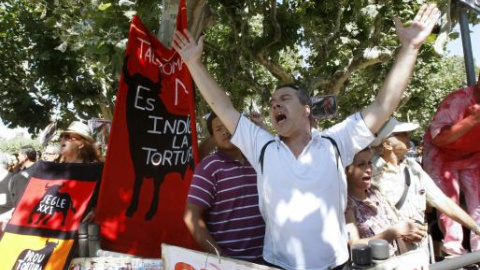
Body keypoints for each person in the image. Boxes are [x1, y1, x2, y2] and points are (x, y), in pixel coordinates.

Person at [173, 4, 440, 269]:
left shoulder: (336, 142)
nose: (275, 104)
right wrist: (193, 63)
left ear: (306, 109)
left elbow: (382, 106)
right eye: (273, 102)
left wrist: (410, 48)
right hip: (278, 265)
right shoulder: (262, 147)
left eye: (284, 98)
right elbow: (223, 107)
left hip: (335, 265)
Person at [371, 118, 480, 258]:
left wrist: (476, 227)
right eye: (403, 134)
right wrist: (398, 231)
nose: (409, 136)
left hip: (418, 250)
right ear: (387, 144)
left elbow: (443, 201)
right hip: (389, 253)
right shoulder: (371, 173)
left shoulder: (413, 168)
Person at [184, 112, 265, 263]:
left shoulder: (257, 159)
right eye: (218, 129)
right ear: (213, 138)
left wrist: (261, 126)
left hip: (269, 259)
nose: (225, 132)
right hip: (232, 263)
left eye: (228, 126)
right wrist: (220, 258)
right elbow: (191, 217)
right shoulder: (209, 167)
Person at [422, 72, 480, 256]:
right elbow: (439, 138)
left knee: (478, 201)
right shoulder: (458, 100)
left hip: (472, 155)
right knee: (448, 203)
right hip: (442, 156)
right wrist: (471, 120)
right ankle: (454, 251)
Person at [345, 147, 427, 256]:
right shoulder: (345, 204)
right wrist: (394, 233)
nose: (369, 169)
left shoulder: (374, 192)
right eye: (361, 164)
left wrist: (409, 233)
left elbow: (395, 226)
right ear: (345, 171)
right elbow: (355, 245)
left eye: (369, 163)